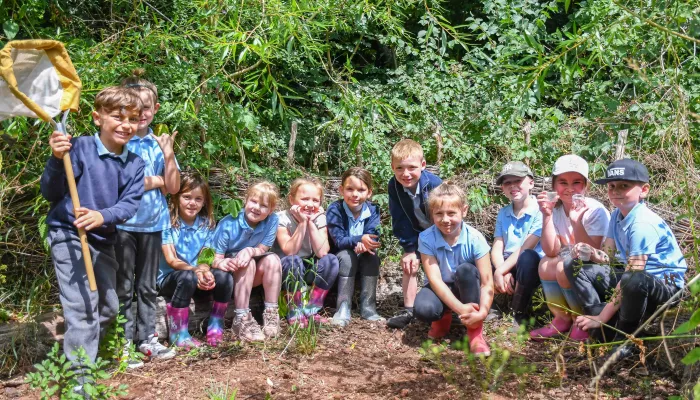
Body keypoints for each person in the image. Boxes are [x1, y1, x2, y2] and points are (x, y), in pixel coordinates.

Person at [41, 86, 145, 385]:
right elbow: (50, 192)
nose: (126, 124)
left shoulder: (135, 164)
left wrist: (102, 216)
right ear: (97, 117)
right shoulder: (80, 147)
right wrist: (55, 158)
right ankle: (80, 380)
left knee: (109, 307)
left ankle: (81, 355)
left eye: (134, 119)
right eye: (118, 116)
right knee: (83, 308)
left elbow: (129, 204)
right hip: (68, 235)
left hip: (102, 241)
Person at [574, 159, 686, 357]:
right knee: (579, 269)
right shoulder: (617, 215)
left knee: (632, 278)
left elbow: (633, 273)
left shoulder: (642, 223)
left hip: (665, 284)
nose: (616, 190)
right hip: (635, 280)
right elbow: (607, 257)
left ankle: (625, 337)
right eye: (612, 186)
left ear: (643, 190)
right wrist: (592, 253)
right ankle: (603, 327)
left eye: (624, 186)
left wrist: (602, 316)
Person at [116, 70, 180, 366]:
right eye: (135, 106)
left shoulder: (158, 143)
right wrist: (156, 181)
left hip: (153, 224)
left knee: (147, 285)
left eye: (147, 107)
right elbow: (122, 183)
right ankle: (122, 343)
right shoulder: (119, 139)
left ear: (155, 109)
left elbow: (175, 187)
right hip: (123, 223)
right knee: (123, 285)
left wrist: (168, 156)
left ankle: (147, 339)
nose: (141, 113)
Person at [530, 154, 610, 342]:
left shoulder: (595, 210)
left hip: (597, 267)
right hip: (571, 263)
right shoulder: (556, 210)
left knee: (562, 267)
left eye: (576, 182)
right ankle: (562, 318)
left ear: (585, 186)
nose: (569, 189)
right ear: (554, 186)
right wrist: (547, 215)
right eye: (563, 182)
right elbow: (551, 250)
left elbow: (592, 251)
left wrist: (576, 221)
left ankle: (579, 320)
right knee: (545, 264)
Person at [413, 183, 494, 356]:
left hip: (466, 286)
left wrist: (483, 312)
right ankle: (443, 318)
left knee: (466, 270)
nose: (445, 219)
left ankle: (475, 334)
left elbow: (487, 282)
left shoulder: (475, 238)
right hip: (440, 287)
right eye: (439, 214)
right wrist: (460, 308)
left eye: (451, 213)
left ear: (464, 211)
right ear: (432, 214)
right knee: (423, 309)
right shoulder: (426, 238)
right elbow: (434, 280)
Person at [158, 172, 234, 348]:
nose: (192, 203)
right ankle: (178, 333)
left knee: (224, 276)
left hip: (196, 276)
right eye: (186, 197)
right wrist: (196, 271)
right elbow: (171, 260)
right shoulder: (167, 223)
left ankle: (216, 323)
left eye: (198, 199)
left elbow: (206, 256)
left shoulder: (206, 224)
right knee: (187, 277)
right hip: (173, 280)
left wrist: (205, 272)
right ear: (176, 198)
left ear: (204, 201)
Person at [212, 181, 282, 342]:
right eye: (254, 201)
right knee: (247, 262)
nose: (257, 208)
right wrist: (224, 263)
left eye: (263, 206)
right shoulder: (228, 224)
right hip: (230, 276)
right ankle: (241, 318)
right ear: (246, 200)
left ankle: (271, 314)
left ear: (271, 210)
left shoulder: (272, 221)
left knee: (273, 259)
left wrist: (250, 250)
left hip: (253, 274)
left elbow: (263, 248)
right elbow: (214, 259)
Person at [386, 139, 442, 329]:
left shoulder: (434, 184)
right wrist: (409, 248)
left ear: (423, 165)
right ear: (393, 167)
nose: (406, 173)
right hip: (418, 235)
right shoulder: (394, 186)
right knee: (409, 264)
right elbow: (399, 218)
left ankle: (451, 306)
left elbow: (444, 214)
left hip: (440, 233)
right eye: (399, 168)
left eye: (412, 167)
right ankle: (409, 310)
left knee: (444, 266)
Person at [273, 178, 339, 326]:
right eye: (305, 199)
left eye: (315, 200)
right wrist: (302, 223)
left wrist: (310, 222)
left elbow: (322, 252)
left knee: (331, 260)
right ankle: (294, 309)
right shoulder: (281, 218)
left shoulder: (319, 218)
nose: (310, 204)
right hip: (285, 269)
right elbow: (290, 251)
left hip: (307, 267)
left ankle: (312, 309)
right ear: (291, 199)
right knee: (293, 260)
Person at [326, 167, 384, 327]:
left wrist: (365, 244)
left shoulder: (373, 210)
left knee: (372, 255)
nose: (355, 194)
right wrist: (359, 240)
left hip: (362, 255)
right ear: (341, 190)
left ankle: (368, 308)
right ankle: (343, 307)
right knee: (347, 255)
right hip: (339, 257)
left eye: (361, 190)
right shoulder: (335, 209)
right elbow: (338, 241)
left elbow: (373, 234)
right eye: (349, 189)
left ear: (369, 192)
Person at [491, 161, 544, 328]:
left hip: (530, 265)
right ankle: (487, 306)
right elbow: (497, 246)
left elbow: (527, 246)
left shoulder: (541, 210)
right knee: (479, 257)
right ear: (503, 188)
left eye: (518, 181)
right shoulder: (503, 213)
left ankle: (519, 312)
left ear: (531, 183)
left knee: (527, 258)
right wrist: (502, 270)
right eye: (507, 183)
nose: (513, 186)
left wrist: (500, 270)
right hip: (507, 262)